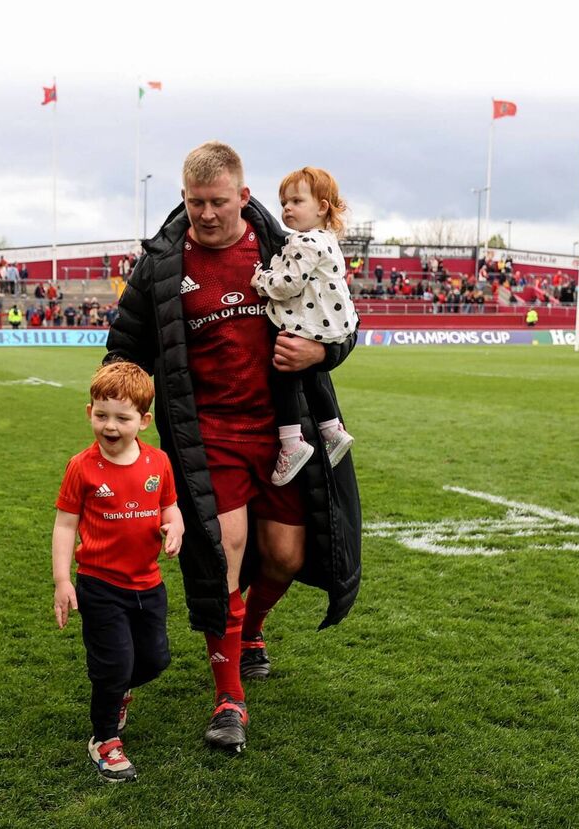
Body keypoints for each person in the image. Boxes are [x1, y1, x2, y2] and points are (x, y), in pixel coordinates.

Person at [106, 140, 361, 753]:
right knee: (224, 555)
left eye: (218, 202)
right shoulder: (161, 266)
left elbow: (343, 319)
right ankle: (229, 700)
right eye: (195, 203)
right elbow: (125, 344)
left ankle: (251, 632)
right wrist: (116, 404)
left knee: (286, 557)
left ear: (243, 198)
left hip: (284, 432)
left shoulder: (285, 247)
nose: (206, 214)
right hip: (207, 436)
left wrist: (322, 352)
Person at [52, 362, 183, 784]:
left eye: (122, 418)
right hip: (100, 585)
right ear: (89, 411)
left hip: (148, 584)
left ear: (143, 421)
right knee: (113, 664)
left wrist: (175, 524)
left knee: (156, 659)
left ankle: (120, 692)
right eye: (101, 415)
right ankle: (104, 739)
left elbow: (170, 505)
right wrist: (62, 580)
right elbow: (65, 525)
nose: (110, 426)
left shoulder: (158, 462)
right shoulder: (82, 466)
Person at [250, 167, 358, 485]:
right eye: (284, 201)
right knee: (311, 375)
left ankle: (292, 443)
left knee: (282, 373)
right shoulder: (326, 239)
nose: (287, 208)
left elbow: (288, 284)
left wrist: (260, 280)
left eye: (297, 200)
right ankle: (332, 430)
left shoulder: (306, 241)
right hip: (331, 320)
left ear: (322, 207)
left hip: (310, 320)